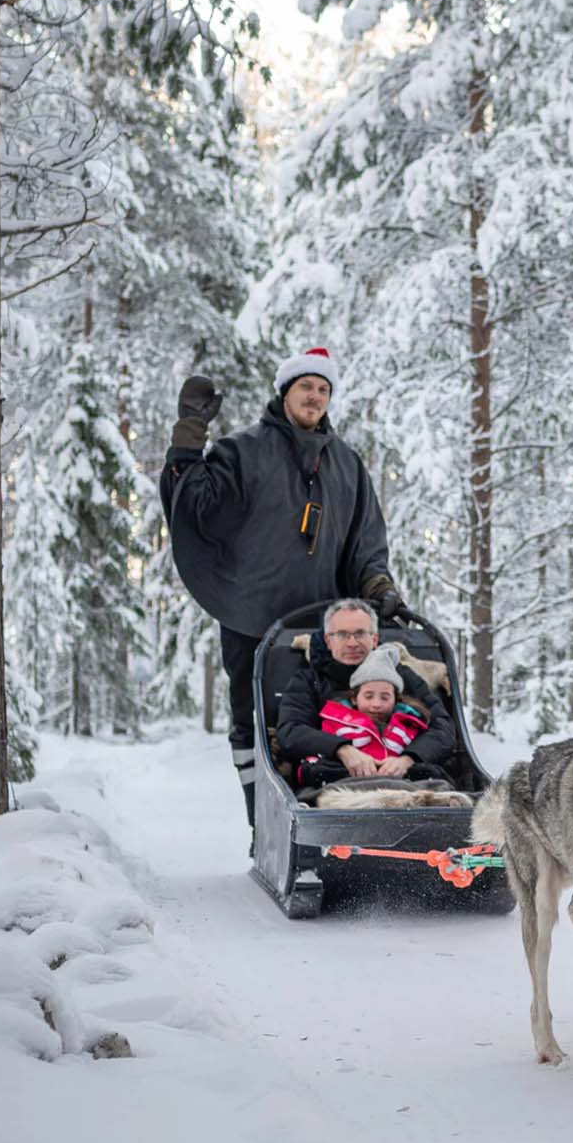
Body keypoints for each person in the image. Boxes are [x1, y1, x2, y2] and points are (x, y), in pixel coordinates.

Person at [159, 348, 406, 828]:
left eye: (323, 389)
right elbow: (193, 504)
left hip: (325, 631)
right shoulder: (243, 450)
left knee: (321, 723)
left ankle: (325, 822)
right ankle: (263, 827)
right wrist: (189, 435)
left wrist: (378, 584)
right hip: (252, 619)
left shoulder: (347, 465)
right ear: (285, 391)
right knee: (252, 723)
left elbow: (366, 540)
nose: (314, 397)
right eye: (305, 387)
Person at [279, 601, 456, 790]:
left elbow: (443, 727)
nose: (352, 643)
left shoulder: (401, 676)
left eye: (361, 633)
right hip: (335, 773)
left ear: (374, 638)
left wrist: (408, 758)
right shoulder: (308, 680)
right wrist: (342, 750)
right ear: (328, 641)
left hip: (403, 772)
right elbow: (291, 730)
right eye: (342, 634)